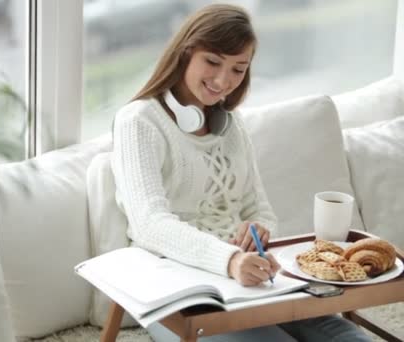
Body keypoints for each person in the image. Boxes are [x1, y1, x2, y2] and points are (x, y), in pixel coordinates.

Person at [110, 4, 371, 341]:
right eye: (213, 62)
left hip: (248, 278)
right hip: (177, 286)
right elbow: (149, 224)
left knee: (351, 338)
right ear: (186, 52)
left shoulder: (231, 126)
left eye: (238, 69)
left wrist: (258, 231)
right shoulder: (139, 122)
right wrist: (230, 259)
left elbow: (259, 209)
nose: (223, 81)